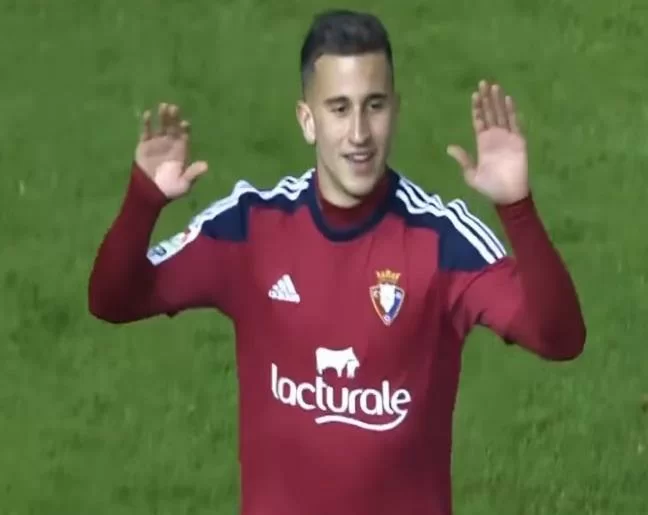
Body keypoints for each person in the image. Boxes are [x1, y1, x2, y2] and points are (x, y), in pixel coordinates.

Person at [88, 9, 586, 515]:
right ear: (308, 120)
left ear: (395, 110)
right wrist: (143, 200)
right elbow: (112, 300)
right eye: (339, 108)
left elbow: (560, 338)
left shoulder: (442, 240)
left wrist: (517, 208)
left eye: (374, 106)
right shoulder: (250, 227)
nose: (359, 133)